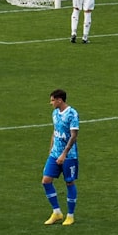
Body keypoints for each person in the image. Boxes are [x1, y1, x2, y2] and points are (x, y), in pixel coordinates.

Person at [41, 88, 79, 226]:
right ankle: (57, 212)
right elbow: (55, 131)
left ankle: (70, 215)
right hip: (55, 154)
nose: (50, 103)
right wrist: (51, 149)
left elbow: (74, 136)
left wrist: (64, 153)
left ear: (59, 100)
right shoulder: (55, 113)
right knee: (46, 181)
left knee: (69, 182)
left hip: (69, 156)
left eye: (52, 100)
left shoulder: (72, 114)